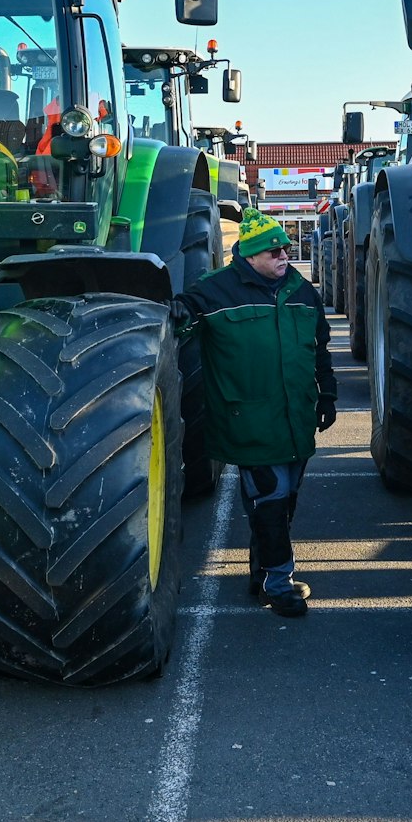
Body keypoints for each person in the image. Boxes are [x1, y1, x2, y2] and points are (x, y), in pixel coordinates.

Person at [174, 207, 337, 617]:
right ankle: (279, 586)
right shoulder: (214, 291)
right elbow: (179, 318)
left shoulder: (302, 291)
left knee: (286, 502)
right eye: (275, 252)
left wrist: (328, 395)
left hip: (296, 421)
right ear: (249, 257)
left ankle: (262, 571)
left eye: (286, 249)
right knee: (270, 500)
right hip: (249, 423)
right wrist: (174, 313)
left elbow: (319, 349)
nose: (285, 256)